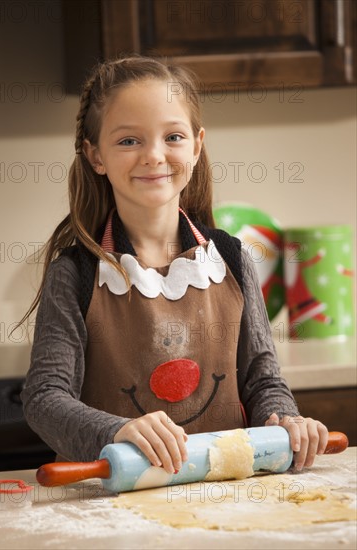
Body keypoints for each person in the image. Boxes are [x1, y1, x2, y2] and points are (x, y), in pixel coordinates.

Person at [20, 56, 328, 476]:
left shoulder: (232, 258)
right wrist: (118, 431)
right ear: (96, 155)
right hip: (113, 512)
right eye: (129, 141)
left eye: (173, 137)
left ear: (197, 146)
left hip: (226, 497)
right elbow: (44, 399)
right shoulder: (76, 274)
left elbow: (262, 382)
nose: (154, 156)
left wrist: (285, 423)